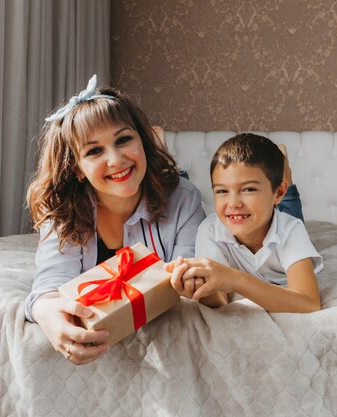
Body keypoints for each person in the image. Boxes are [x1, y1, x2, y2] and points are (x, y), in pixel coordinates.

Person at [24, 75, 206, 365]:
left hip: (164, 184)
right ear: (77, 168)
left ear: (143, 142)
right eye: (95, 150)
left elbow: (189, 281)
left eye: (124, 140)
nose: (116, 159)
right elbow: (47, 289)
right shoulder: (64, 209)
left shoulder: (183, 198)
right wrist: (50, 318)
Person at [165, 133, 323, 313]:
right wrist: (197, 289)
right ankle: (170, 167)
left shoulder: (291, 229)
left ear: (278, 193)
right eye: (222, 191)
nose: (233, 203)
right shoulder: (209, 230)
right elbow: (219, 299)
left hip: (279, 216)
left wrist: (235, 279)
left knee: (291, 212)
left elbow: (309, 303)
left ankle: (284, 169)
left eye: (248, 189)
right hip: (261, 213)